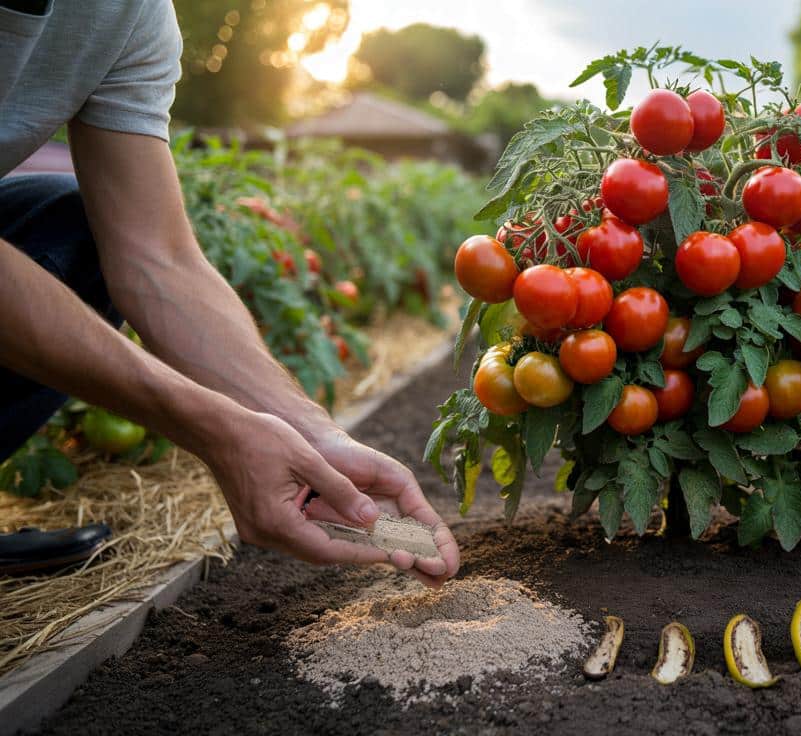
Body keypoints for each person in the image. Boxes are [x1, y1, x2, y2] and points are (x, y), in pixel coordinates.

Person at [0, 0, 459, 585]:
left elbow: (156, 256)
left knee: (73, 230)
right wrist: (217, 429)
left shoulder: (129, 15)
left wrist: (309, 432)